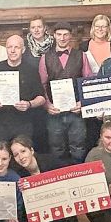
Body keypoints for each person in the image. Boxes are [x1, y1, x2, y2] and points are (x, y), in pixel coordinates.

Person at [11, 136, 80, 222]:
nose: (20, 157)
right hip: (34, 218)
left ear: (31, 150)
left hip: (58, 211)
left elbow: (71, 177)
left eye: (23, 151)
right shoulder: (16, 174)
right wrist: (19, 192)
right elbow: (15, 206)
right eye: (16, 154)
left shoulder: (51, 161)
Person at [39, 22, 91, 162]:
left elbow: (88, 83)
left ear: (70, 36)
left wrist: (82, 103)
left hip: (76, 112)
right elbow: (42, 85)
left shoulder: (81, 56)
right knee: (56, 149)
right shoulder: (45, 58)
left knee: (79, 148)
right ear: (54, 36)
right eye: (59, 34)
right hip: (54, 112)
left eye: (66, 34)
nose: (62, 38)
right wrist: (47, 105)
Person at [0, 35, 46, 144]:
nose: (12, 51)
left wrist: (29, 104)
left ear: (23, 50)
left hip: (24, 123)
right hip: (0, 123)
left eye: (16, 47)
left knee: (22, 157)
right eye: (9, 47)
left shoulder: (31, 70)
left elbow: (41, 98)